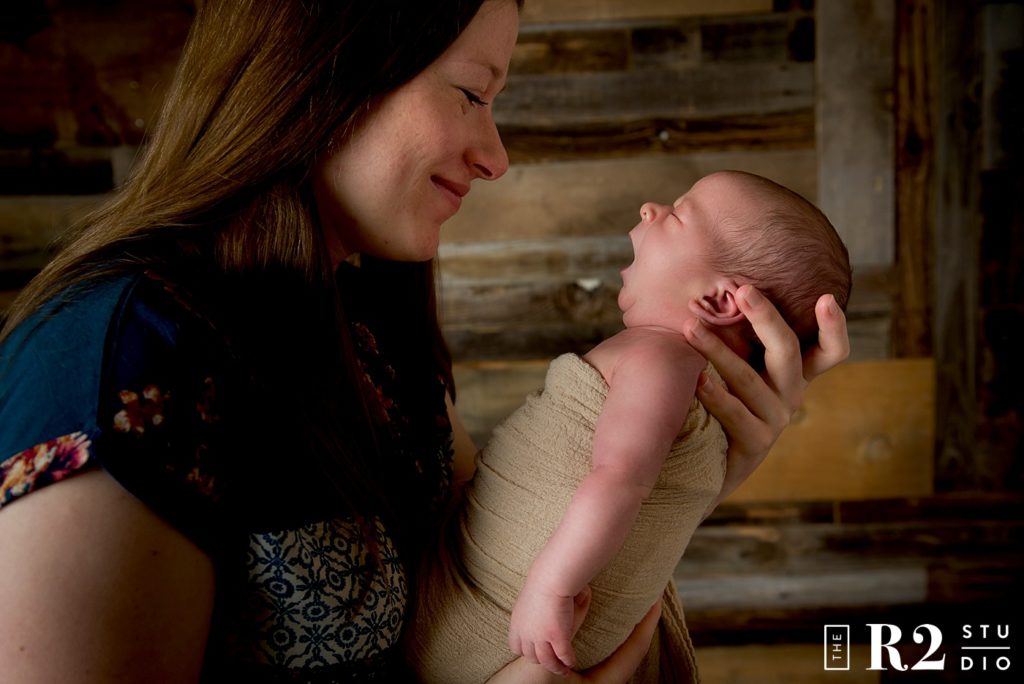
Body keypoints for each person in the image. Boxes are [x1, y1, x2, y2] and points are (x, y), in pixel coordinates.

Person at [0, 1, 850, 682]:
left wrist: (698, 470)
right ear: (325, 75)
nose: (495, 157)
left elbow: (521, 541)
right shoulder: (117, 365)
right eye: (473, 94)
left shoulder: (366, 316)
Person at [404, 171, 851, 683]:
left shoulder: (661, 360)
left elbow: (619, 478)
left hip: (510, 627)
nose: (648, 208)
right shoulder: (686, 386)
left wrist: (552, 587)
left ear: (719, 301)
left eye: (679, 214)